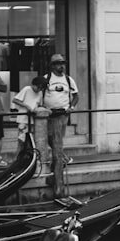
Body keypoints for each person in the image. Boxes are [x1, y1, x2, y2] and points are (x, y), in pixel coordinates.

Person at [42, 53, 79, 196]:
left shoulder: (69, 80)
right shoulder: (47, 79)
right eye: (58, 63)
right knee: (51, 138)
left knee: (57, 140)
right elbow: (40, 94)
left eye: (63, 63)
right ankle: (61, 158)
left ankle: (58, 167)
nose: (61, 66)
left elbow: (76, 95)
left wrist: (72, 107)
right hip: (49, 114)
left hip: (63, 114)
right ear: (52, 66)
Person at [12, 75, 46, 149]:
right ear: (34, 85)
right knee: (21, 139)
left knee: (31, 141)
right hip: (23, 119)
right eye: (38, 87)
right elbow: (15, 100)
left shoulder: (40, 93)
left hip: (33, 120)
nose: (38, 89)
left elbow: (40, 104)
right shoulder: (27, 89)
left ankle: (30, 157)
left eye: (41, 88)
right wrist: (26, 106)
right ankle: (19, 157)